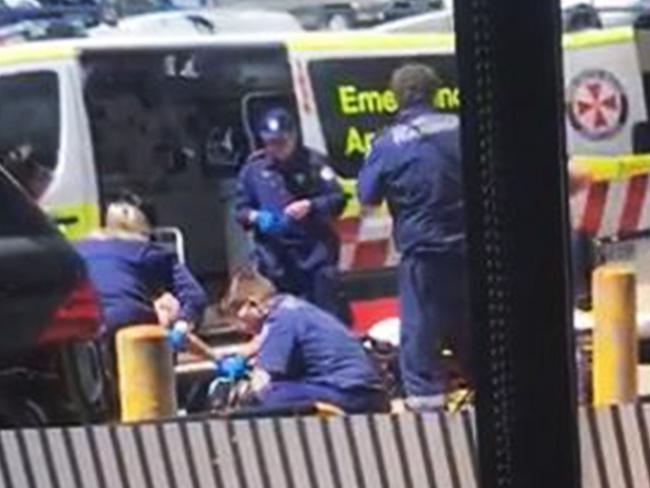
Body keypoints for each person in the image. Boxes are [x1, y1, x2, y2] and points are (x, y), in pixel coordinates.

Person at [357, 64, 470, 411]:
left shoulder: (389, 142)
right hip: (471, 250)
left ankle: (428, 421)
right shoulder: (464, 129)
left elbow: (367, 197)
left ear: (397, 96)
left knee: (419, 339)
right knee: (473, 330)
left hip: (424, 255)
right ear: (435, 92)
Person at [235, 107, 351, 323]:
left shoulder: (314, 163)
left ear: (293, 136)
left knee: (326, 317)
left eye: (280, 142)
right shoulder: (254, 170)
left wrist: (311, 205)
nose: (275, 148)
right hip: (276, 260)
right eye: (269, 143)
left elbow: (338, 199)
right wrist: (256, 217)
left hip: (314, 255)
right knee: (283, 320)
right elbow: (240, 211)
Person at [221, 267, 389, 413]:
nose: (241, 327)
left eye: (240, 319)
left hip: (349, 392)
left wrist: (242, 393)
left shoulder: (281, 319)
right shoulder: (294, 308)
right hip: (366, 391)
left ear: (253, 304)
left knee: (268, 395)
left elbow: (263, 379)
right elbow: (260, 342)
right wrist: (241, 356)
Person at [76, 193, 207, 338]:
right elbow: (195, 296)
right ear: (144, 230)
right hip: (130, 321)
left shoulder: (78, 250)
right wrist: (182, 324)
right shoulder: (147, 251)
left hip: (84, 324)